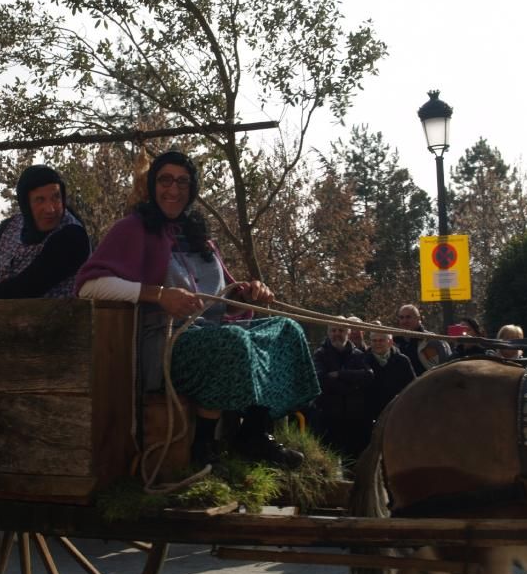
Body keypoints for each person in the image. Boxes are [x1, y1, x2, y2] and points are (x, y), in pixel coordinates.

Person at [76, 151, 318, 469]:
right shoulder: (132, 229)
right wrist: (159, 295)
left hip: (217, 332)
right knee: (230, 342)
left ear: (192, 190)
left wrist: (249, 292)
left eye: (182, 182)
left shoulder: (199, 238)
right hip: (167, 343)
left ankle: (255, 433)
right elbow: (89, 286)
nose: (173, 190)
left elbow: (225, 296)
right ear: (152, 185)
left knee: (287, 331)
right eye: (165, 180)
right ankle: (203, 445)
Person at [0, 165, 90, 300]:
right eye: (40, 200)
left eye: (56, 197)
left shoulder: (72, 236)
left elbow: (29, 286)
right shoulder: (9, 228)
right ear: (26, 203)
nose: (50, 209)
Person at [311, 317, 372, 461]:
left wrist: (340, 374)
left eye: (341, 330)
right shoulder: (320, 354)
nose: (337, 334)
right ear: (328, 333)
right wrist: (351, 385)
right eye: (333, 330)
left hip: (353, 418)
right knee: (327, 460)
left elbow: (368, 376)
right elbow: (321, 379)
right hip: (328, 416)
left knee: (352, 461)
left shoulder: (358, 355)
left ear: (348, 332)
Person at [363, 326, 416, 430]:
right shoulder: (364, 360)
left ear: (390, 342)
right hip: (371, 414)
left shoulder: (402, 361)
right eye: (374, 341)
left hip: (397, 412)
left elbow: (412, 385)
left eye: (381, 340)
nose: (377, 344)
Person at [393, 304, 451, 376]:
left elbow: (445, 366)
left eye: (408, 317)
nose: (404, 321)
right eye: (401, 317)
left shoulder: (431, 341)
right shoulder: (393, 342)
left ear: (418, 318)